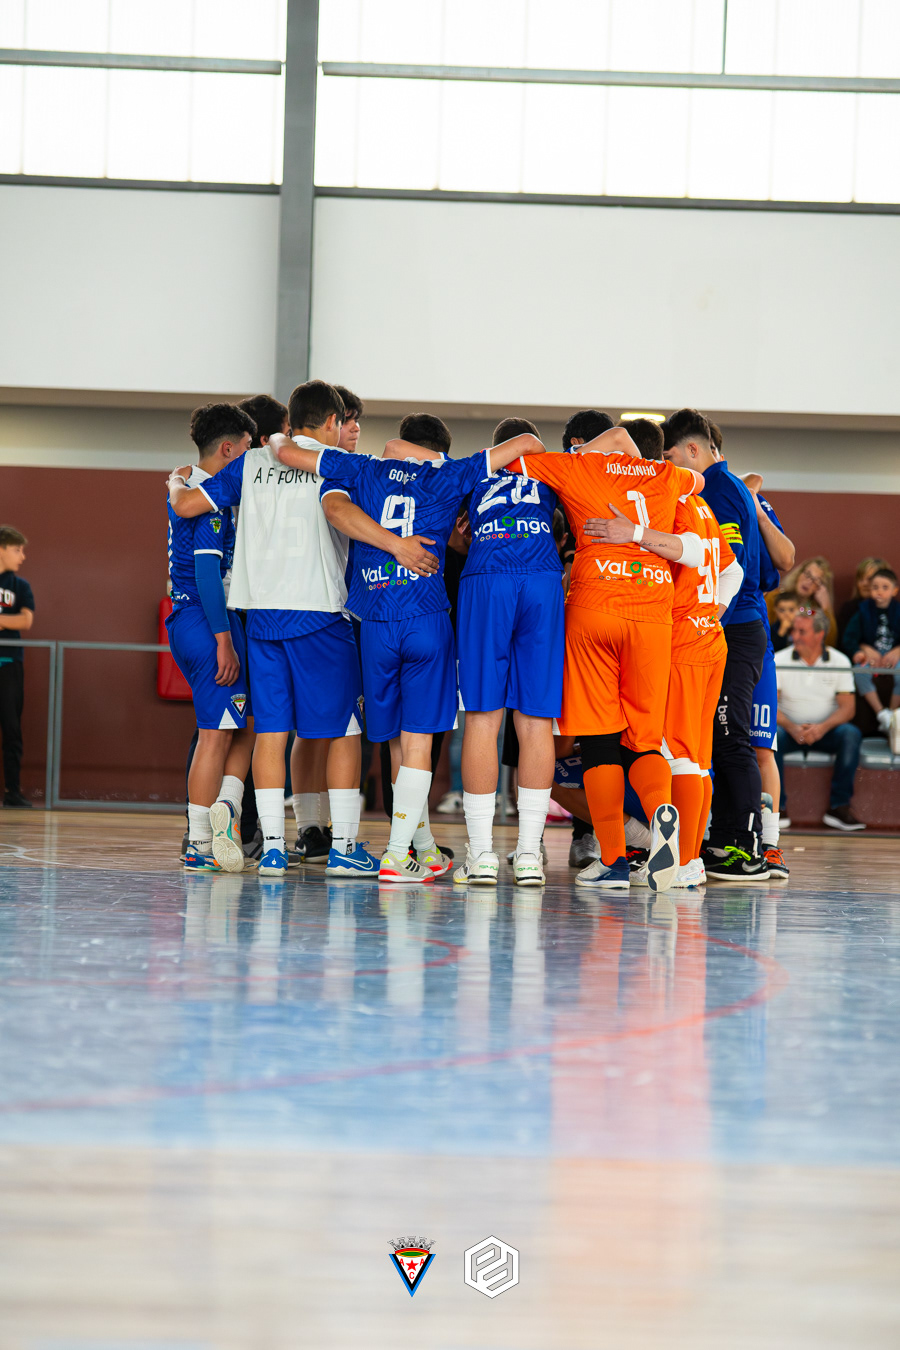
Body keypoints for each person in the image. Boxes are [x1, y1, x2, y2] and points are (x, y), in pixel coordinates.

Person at [168, 381, 435, 878]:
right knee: (345, 731)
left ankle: (272, 848)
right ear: (332, 422)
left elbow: (185, 508)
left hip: (260, 614)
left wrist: (175, 482)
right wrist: (399, 545)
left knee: (272, 730)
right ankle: (345, 847)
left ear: (292, 420)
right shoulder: (339, 465)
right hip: (319, 613)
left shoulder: (250, 463)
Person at [269, 418, 548, 884]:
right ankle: (398, 854)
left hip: (375, 621)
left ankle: (421, 847)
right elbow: (527, 443)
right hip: (425, 618)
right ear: (436, 449)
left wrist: (276, 436)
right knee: (418, 741)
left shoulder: (363, 467)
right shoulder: (451, 472)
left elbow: (286, 452)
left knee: (397, 742)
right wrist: (440, 462)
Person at [506, 425, 703, 891]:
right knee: (644, 742)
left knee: (598, 742)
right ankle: (660, 811)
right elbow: (699, 480)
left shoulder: (578, 467)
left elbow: (513, 461)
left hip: (595, 604)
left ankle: (613, 860)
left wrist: (581, 455)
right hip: (652, 612)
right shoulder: (668, 475)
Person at [584, 467, 743, 886]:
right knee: (700, 757)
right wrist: (711, 613)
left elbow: (691, 553)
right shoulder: (703, 506)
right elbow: (734, 572)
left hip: (679, 644)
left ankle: (685, 861)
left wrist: (634, 533)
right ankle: (690, 860)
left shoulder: (670, 506)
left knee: (679, 756)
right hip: (710, 639)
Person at [453, 416, 563, 886]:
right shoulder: (552, 473)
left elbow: (452, 533)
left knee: (483, 717)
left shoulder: (473, 472)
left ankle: (481, 855)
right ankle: (529, 855)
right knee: (535, 720)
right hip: (542, 579)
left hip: (487, 577)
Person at [662, 409, 770, 880]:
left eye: (668, 457)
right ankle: (722, 839)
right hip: (730, 627)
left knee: (730, 737)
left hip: (731, 628)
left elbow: (730, 566)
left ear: (692, 450)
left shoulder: (719, 491)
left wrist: (709, 619)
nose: (665, 467)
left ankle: (746, 846)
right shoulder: (728, 488)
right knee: (714, 742)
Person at [166, 404, 257, 872]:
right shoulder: (209, 498)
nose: (251, 458)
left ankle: (227, 807)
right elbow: (205, 573)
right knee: (214, 736)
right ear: (227, 449)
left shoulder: (186, 485)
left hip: (196, 620)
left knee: (247, 722)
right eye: (247, 449)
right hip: (205, 620)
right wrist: (223, 639)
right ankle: (200, 842)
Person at [741, 470, 796, 881]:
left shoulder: (748, 498)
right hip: (700, 633)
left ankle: (770, 842)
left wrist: (757, 510)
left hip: (751, 635)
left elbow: (786, 558)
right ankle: (711, 836)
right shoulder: (686, 495)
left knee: (762, 747)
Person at [774, 606, 864, 831]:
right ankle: (777, 808)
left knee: (850, 734)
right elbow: (770, 706)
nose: (794, 636)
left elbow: (848, 708)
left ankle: (839, 808)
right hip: (789, 731)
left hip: (826, 732)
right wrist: (793, 728)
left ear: (820, 634)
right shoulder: (778, 659)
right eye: (793, 631)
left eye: (802, 631)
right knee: (770, 735)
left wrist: (821, 728)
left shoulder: (840, 661)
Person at [842, 567, 900, 744]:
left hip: (894, 658)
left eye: (885, 587)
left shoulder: (898, 611)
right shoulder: (863, 611)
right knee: (859, 672)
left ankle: (892, 714)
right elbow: (849, 637)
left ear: (894, 590)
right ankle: (881, 713)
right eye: (875, 587)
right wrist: (858, 651)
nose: (879, 591)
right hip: (870, 658)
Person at [0, 526, 35, 809]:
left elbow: (25, 621)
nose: (22, 556)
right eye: (16, 550)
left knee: (12, 728)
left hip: (10, 664)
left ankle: (12, 791)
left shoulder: (20, 586)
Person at [779, 556, 837, 646]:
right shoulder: (776, 598)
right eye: (807, 574)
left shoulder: (814, 611)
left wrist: (826, 607)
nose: (809, 582)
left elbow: (829, 643)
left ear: (820, 588)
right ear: (799, 573)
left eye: (816, 580)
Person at [836, 556, 891, 647]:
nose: (864, 583)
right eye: (860, 579)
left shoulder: (895, 610)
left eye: (869, 579)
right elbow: (842, 643)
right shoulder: (850, 609)